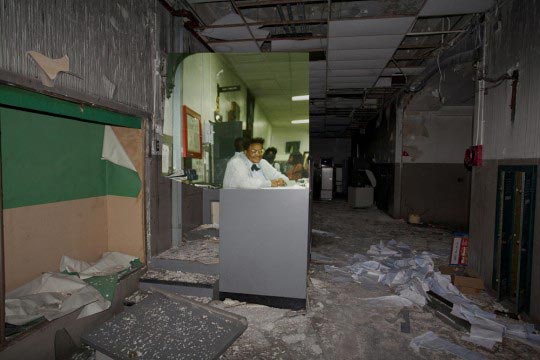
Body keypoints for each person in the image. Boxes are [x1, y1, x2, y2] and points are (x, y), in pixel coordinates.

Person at [223, 137, 288, 188]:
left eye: (260, 151)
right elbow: (244, 183)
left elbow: (281, 177)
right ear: (246, 152)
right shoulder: (236, 162)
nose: (258, 154)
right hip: (235, 201)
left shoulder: (262, 162)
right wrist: (270, 183)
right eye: (254, 151)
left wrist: (281, 181)